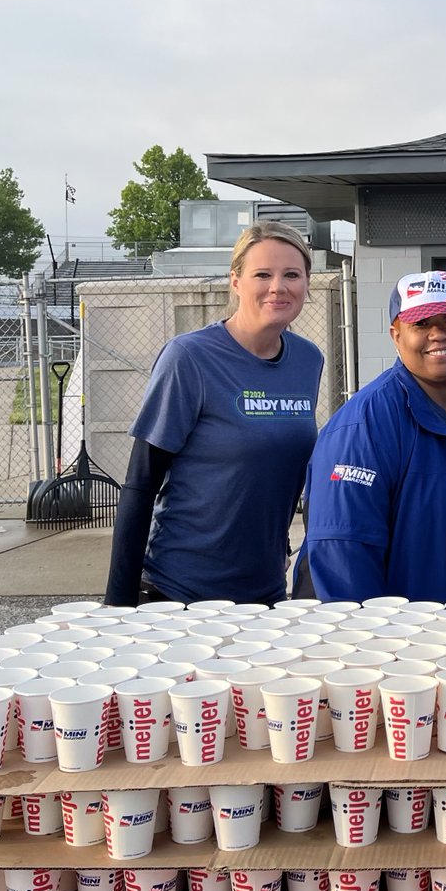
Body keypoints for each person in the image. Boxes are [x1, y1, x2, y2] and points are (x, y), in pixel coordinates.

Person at [105, 221, 324, 606]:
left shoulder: (308, 360)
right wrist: (118, 603)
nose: (279, 286)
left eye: (292, 274)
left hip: (266, 591)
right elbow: (141, 483)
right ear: (236, 281)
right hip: (182, 593)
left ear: (307, 282)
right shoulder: (189, 357)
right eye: (262, 274)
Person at [295, 270, 446, 602]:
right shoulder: (363, 427)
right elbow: (341, 558)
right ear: (396, 335)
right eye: (421, 324)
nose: (438, 335)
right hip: (398, 638)